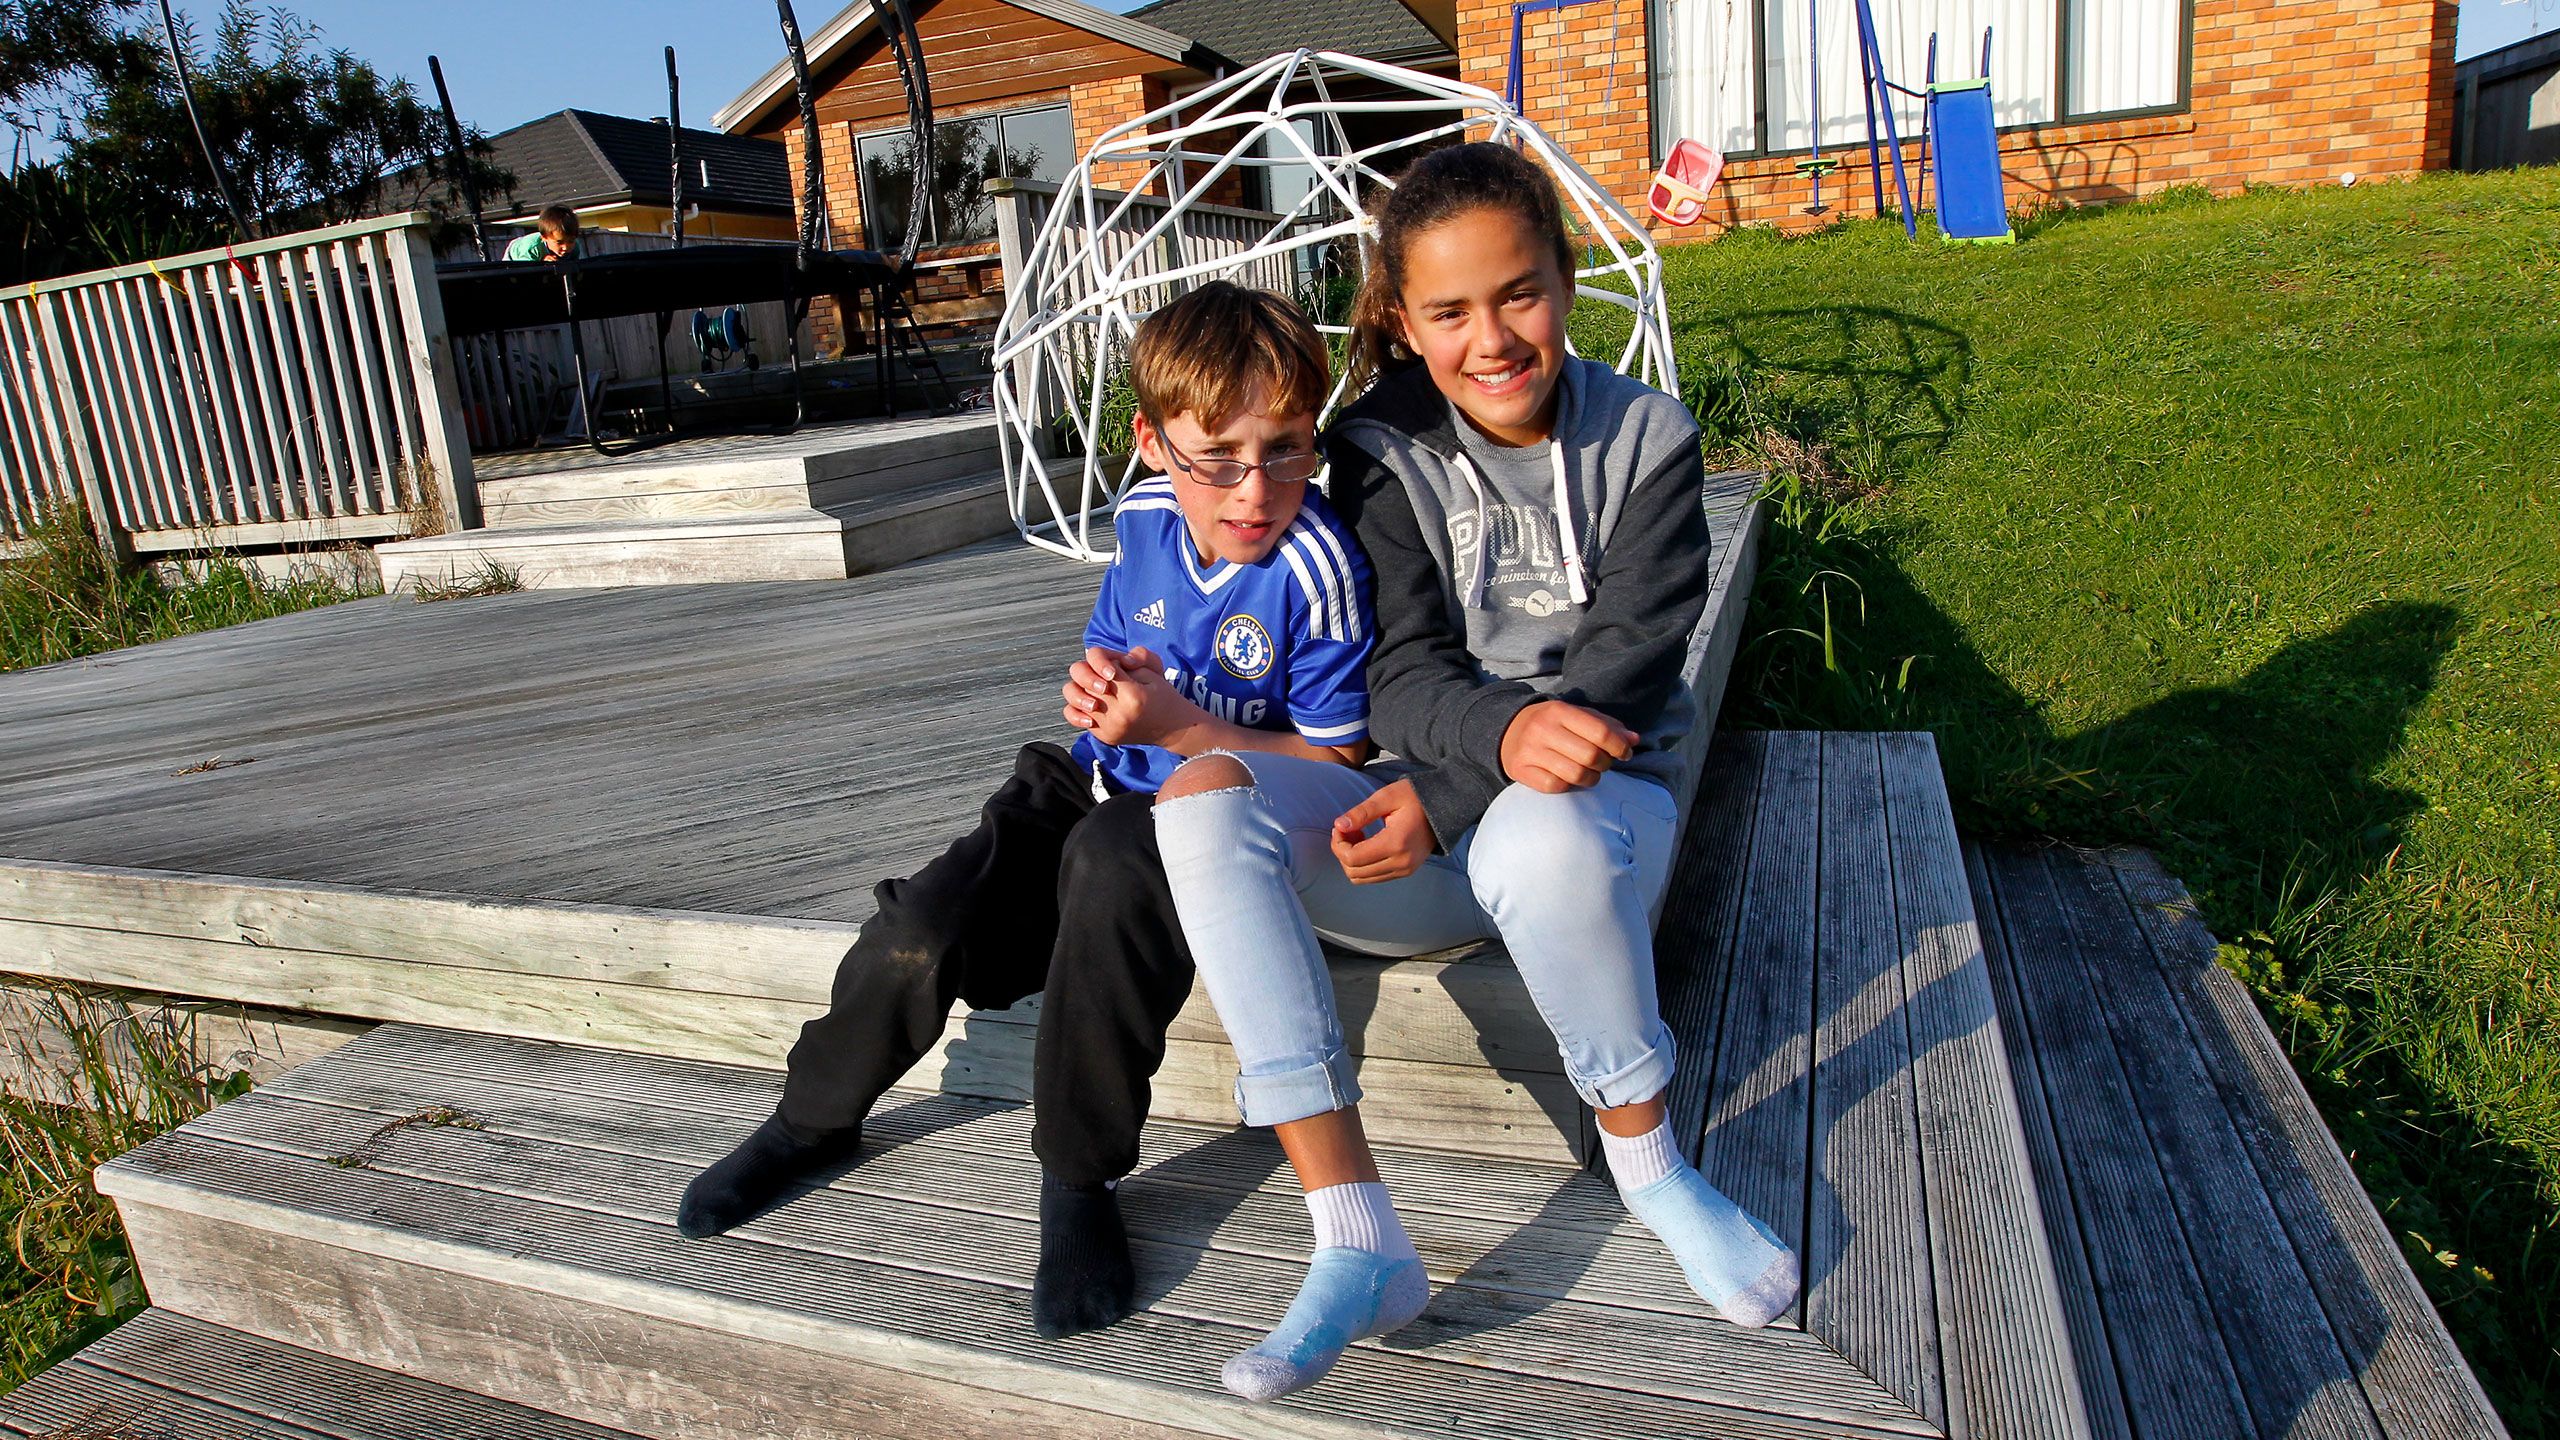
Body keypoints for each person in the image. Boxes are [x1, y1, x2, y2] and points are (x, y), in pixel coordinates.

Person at [1147, 142, 1799, 1403]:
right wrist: (1455, 773)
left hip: (1586, 828)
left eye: (1518, 294)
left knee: (1540, 828)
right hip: (1414, 837)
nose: (1490, 338)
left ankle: (1651, 1166)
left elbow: (1623, 668)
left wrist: (1461, 787)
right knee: (1200, 797)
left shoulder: (1649, 439)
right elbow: (1394, 667)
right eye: (1448, 311)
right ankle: (1353, 1230)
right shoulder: (1383, 446)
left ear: (1563, 282)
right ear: (1402, 317)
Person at [676, 280, 1377, 1342]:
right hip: (1093, 775)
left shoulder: (1315, 566)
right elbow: (1115, 638)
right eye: (1215, 457)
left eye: (1285, 447)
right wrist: (1105, 688)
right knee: (922, 926)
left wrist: (1180, 725)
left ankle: (1078, 1180)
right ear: (1149, 443)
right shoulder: (1142, 519)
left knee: (1111, 862)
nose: (1254, 488)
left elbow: (1335, 757)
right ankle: (810, 1118)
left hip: (1206, 815)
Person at [505, 204, 581, 262]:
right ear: (544, 238)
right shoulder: (532, 248)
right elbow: (525, 271)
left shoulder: (575, 248)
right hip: (515, 258)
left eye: (571, 241)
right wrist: (542, 263)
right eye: (559, 242)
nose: (566, 247)